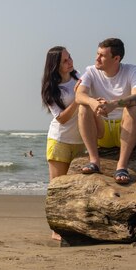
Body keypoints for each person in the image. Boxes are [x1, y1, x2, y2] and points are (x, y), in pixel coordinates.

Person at [75, 38, 136, 184]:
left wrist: (115, 104)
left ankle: (121, 166)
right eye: (97, 53)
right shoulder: (91, 71)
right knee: (83, 107)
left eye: (102, 55)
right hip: (102, 131)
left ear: (116, 58)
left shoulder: (133, 71)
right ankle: (94, 161)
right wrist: (93, 102)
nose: (97, 58)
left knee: (132, 108)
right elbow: (79, 95)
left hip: (125, 129)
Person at [41, 46, 84, 240]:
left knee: (77, 188)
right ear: (55, 65)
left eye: (70, 57)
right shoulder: (51, 89)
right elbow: (62, 119)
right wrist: (77, 99)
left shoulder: (79, 78)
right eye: (65, 60)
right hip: (59, 140)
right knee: (57, 188)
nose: (70, 61)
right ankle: (55, 230)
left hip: (80, 141)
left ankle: (74, 226)